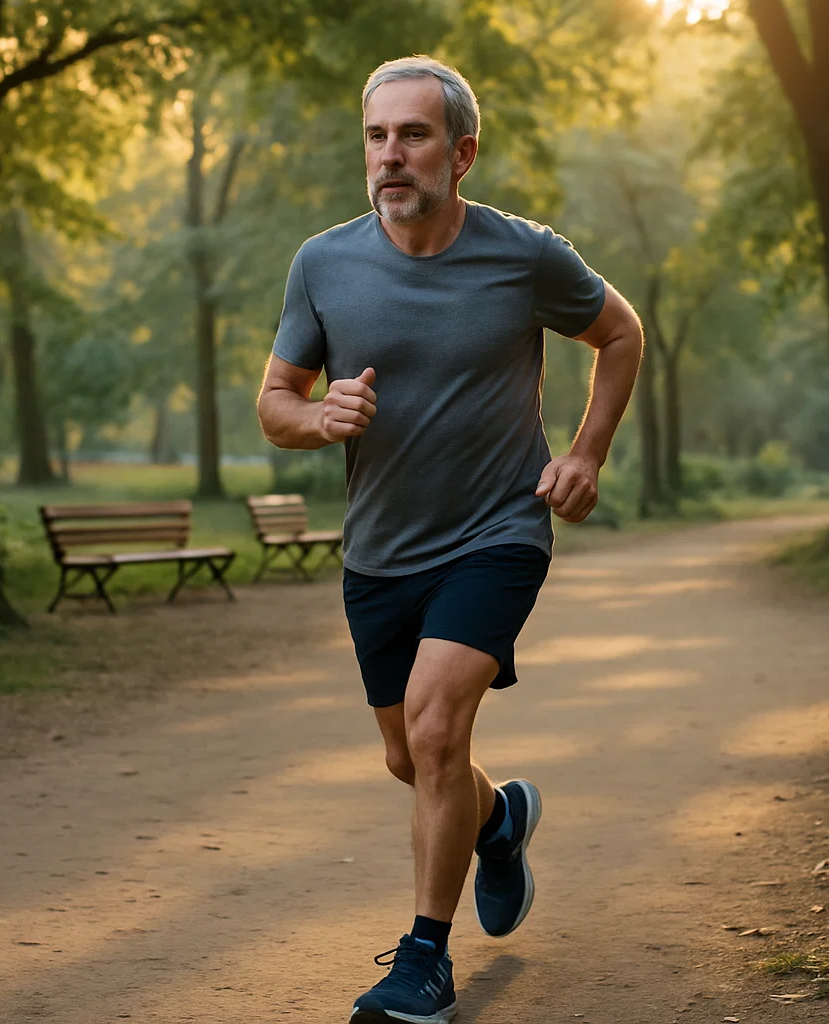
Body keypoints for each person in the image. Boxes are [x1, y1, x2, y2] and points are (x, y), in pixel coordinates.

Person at [257, 55, 642, 1024]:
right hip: (379, 548)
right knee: (409, 757)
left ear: (461, 152)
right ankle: (498, 818)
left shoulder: (526, 256)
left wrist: (586, 454)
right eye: (377, 136)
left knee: (434, 730)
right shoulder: (323, 263)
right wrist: (320, 417)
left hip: (496, 530)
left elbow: (621, 332)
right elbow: (274, 404)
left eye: (414, 135)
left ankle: (424, 963)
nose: (392, 155)